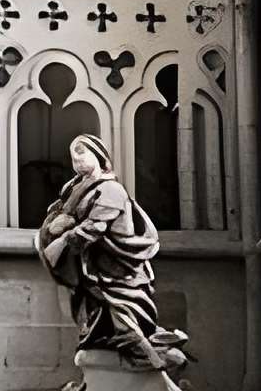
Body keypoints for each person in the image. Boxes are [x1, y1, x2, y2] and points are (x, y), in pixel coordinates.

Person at [35, 132, 186, 371]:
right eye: (73, 157)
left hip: (118, 266)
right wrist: (54, 225)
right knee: (95, 316)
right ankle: (113, 349)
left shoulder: (111, 190)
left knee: (123, 309)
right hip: (92, 267)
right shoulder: (74, 188)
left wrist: (64, 239)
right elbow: (60, 214)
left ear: (99, 155)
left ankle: (146, 355)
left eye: (82, 153)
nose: (77, 161)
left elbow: (95, 226)